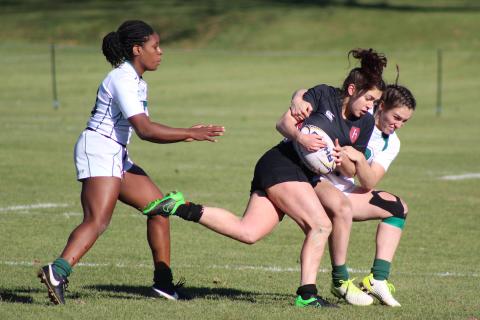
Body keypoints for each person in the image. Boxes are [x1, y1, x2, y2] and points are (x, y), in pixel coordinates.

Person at [149, 48, 387, 308]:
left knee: (248, 231)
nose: (370, 107)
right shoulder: (324, 95)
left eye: (375, 103)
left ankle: (179, 206)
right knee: (320, 225)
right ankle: (307, 294)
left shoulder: (364, 125)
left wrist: (347, 160)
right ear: (353, 90)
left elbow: (351, 173)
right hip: (282, 164)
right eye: (369, 99)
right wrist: (300, 136)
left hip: (303, 175)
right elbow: (283, 122)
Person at [37, 20, 225, 305]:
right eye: (155, 46)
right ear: (138, 49)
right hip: (100, 150)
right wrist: (189, 132)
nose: (160, 52)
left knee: (159, 209)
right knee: (98, 220)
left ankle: (163, 285)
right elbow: (145, 130)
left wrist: (183, 134)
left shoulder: (137, 81)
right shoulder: (122, 78)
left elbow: (144, 127)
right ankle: (58, 272)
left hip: (116, 155)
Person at [289, 83, 416, 307]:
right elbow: (310, 92)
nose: (399, 125)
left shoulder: (391, 143)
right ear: (381, 105)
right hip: (317, 181)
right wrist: (298, 99)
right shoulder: (357, 110)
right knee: (341, 207)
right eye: (396, 117)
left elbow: (369, 181)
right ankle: (340, 281)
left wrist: (357, 157)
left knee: (398, 208)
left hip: (345, 186)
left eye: (405, 121)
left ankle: (378, 279)